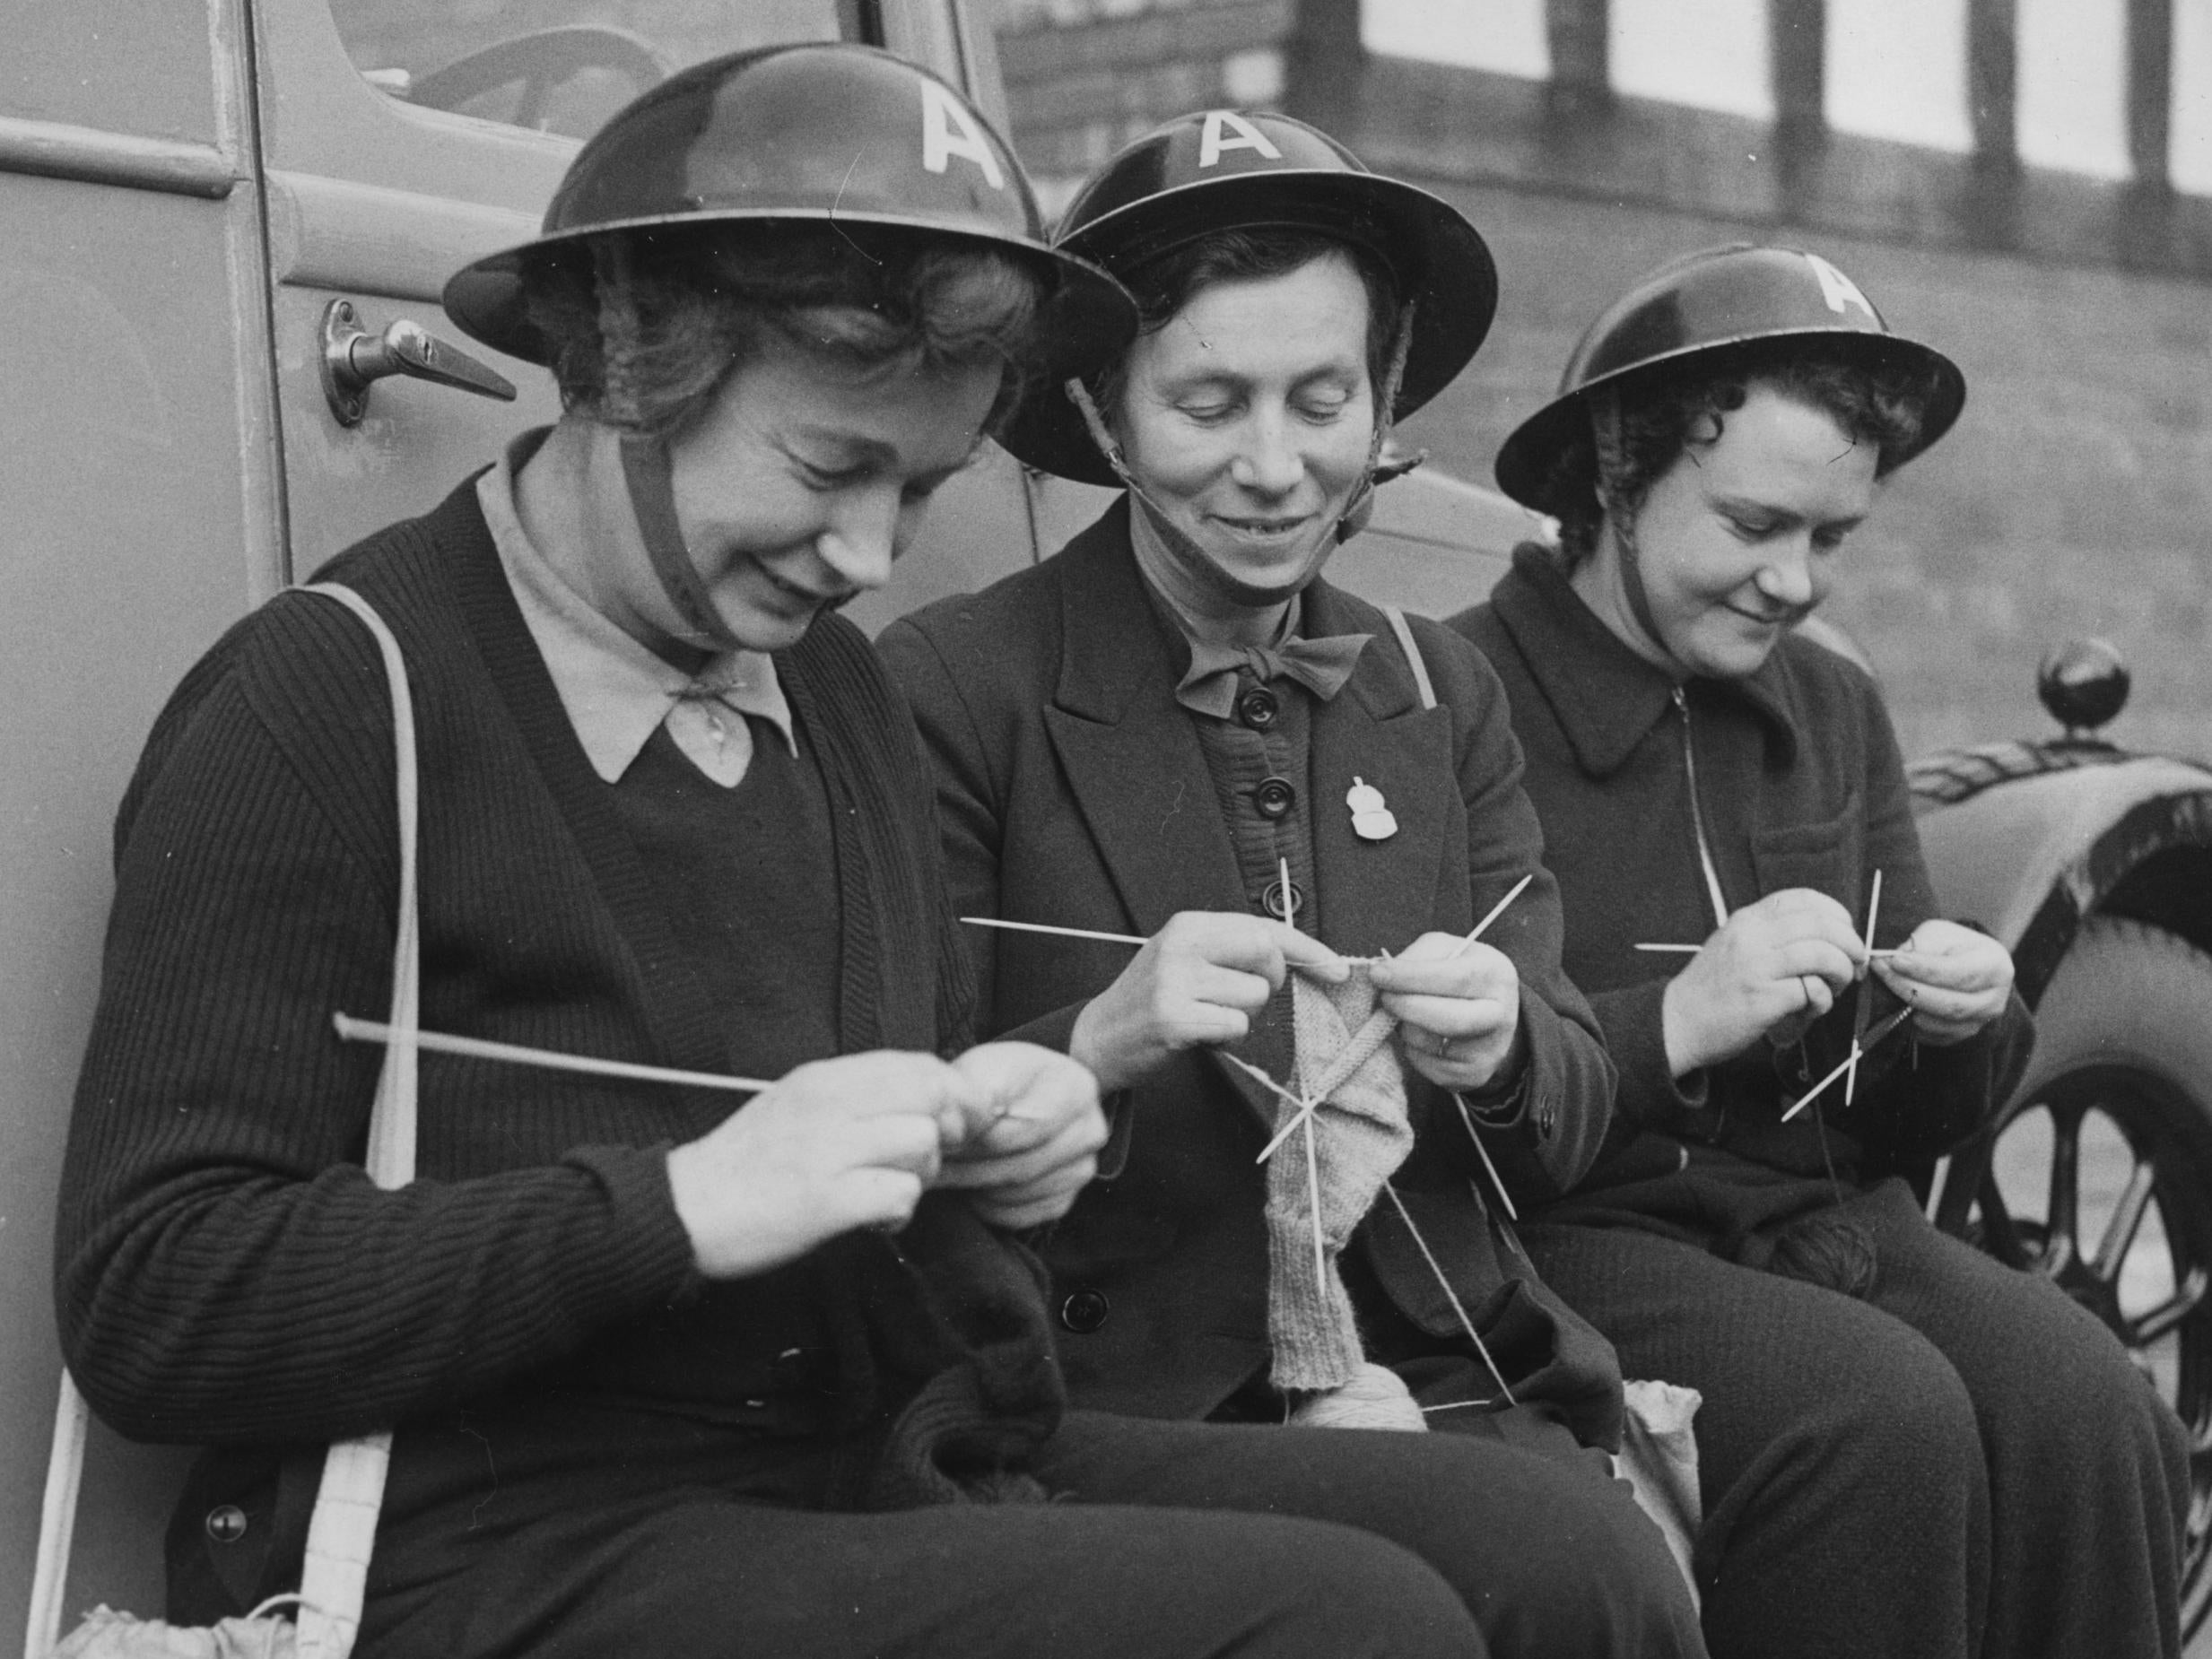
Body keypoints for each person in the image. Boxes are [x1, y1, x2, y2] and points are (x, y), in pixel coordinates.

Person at [58, 48, 1556, 1659]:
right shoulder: (339, 692)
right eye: (830, 468)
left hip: (850, 1460)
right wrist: (677, 1207)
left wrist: (985, 1146)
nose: (865, 555)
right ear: (631, 367)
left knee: (1551, 1552)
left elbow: (857, 1208)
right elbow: (156, 1296)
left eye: (918, 490)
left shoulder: (829, 688)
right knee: (1347, 1628)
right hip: (489, 1531)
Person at [881, 110, 1705, 1659]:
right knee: (1566, 1570)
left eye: (1321, 399)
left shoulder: (1435, 687)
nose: (1274, 468)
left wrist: (1506, 1045)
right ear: (1103, 416)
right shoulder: (952, 688)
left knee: (1616, 1567)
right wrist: (1090, 1043)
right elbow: (872, 1120)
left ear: (1382, 399)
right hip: (1115, 1399)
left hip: (1441, 1362)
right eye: (1207, 403)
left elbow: (1578, 1097)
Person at [1450, 243, 2190, 1659]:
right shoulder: (1460, 690)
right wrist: (1673, 1013)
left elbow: (1920, 1113)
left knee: (2098, 1407)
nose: (1793, 579)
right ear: (1615, 465)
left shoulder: (1829, 705)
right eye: (1750, 524)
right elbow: (1458, 1105)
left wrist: (1963, 1015)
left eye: (1831, 536)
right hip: (1564, 1240)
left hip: (1824, 1229)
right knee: (1875, 1419)